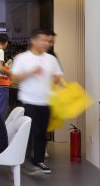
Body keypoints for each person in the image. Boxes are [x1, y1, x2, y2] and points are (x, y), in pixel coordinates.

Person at [11, 29, 63, 175]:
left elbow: (58, 76)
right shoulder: (22, 58)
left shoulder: (51, 59)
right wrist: (31, 72)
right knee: (30, 131)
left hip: (46, 102)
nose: (46, 43)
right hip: (28, 101)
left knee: (42, 133)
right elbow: (14, 78)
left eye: (48, 41)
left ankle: (38, 161)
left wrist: (55, 79)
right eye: (43, 40)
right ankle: (19, 159)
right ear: (33, 41)